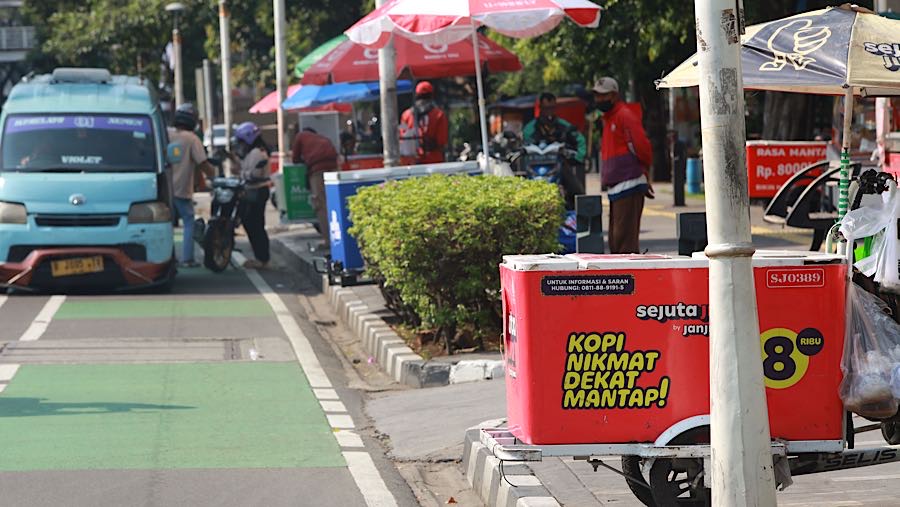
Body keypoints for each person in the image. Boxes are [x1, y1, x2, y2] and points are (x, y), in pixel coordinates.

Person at [593, 76, 654, 254]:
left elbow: (642, 147)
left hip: (629, 182)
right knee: (616, 240)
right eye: (597, 96)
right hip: (618, 185)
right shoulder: (609, 118)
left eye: (603, 96)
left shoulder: (624, 116)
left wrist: (644, 171)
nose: (599, 100)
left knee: (623, 242)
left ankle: (629, 280)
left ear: (614, 95)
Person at [169, 104, 215, 267]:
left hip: (165, 189)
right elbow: (202, 163)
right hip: (181, 189)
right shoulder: (192, 138)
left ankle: (167, 258)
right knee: (188, 222)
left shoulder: (166, 134)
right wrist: (214, 175)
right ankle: (187, 259)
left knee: (167, 225)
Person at [522, 92, 587, 206]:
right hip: (534, 169)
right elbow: (524, 143)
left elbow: (580, 140)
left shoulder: (564, 126)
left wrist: (578, 157)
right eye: (546, 108)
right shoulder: (530, 128)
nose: (549, 112)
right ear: (540, 108)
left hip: (559, 168)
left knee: (578, 192)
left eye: (552, 108)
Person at [228, 121, 271, 269]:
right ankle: (261, 257)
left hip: (257, 191)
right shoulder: (251, 152)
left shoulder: (257, 153)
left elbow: (252, 174)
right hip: (252, 191)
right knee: (250, 224)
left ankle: (262, 259)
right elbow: (242, 168)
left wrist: (240, 173)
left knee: (256, 225)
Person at [291, 127, 339, 242]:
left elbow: (295, 158)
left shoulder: (300, 136)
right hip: (334, 166)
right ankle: (339, 237)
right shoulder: (322, 138)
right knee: (335, 202)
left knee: (320, 205)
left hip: (318, 169)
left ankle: (329, 240)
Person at [400, 81, 448, 164]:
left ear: (417, 95)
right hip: (434, 160)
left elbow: (402, 139)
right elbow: (442, 140)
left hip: (412, 161)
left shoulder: (406, 115)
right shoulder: (439, 114)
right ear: (432, 95)